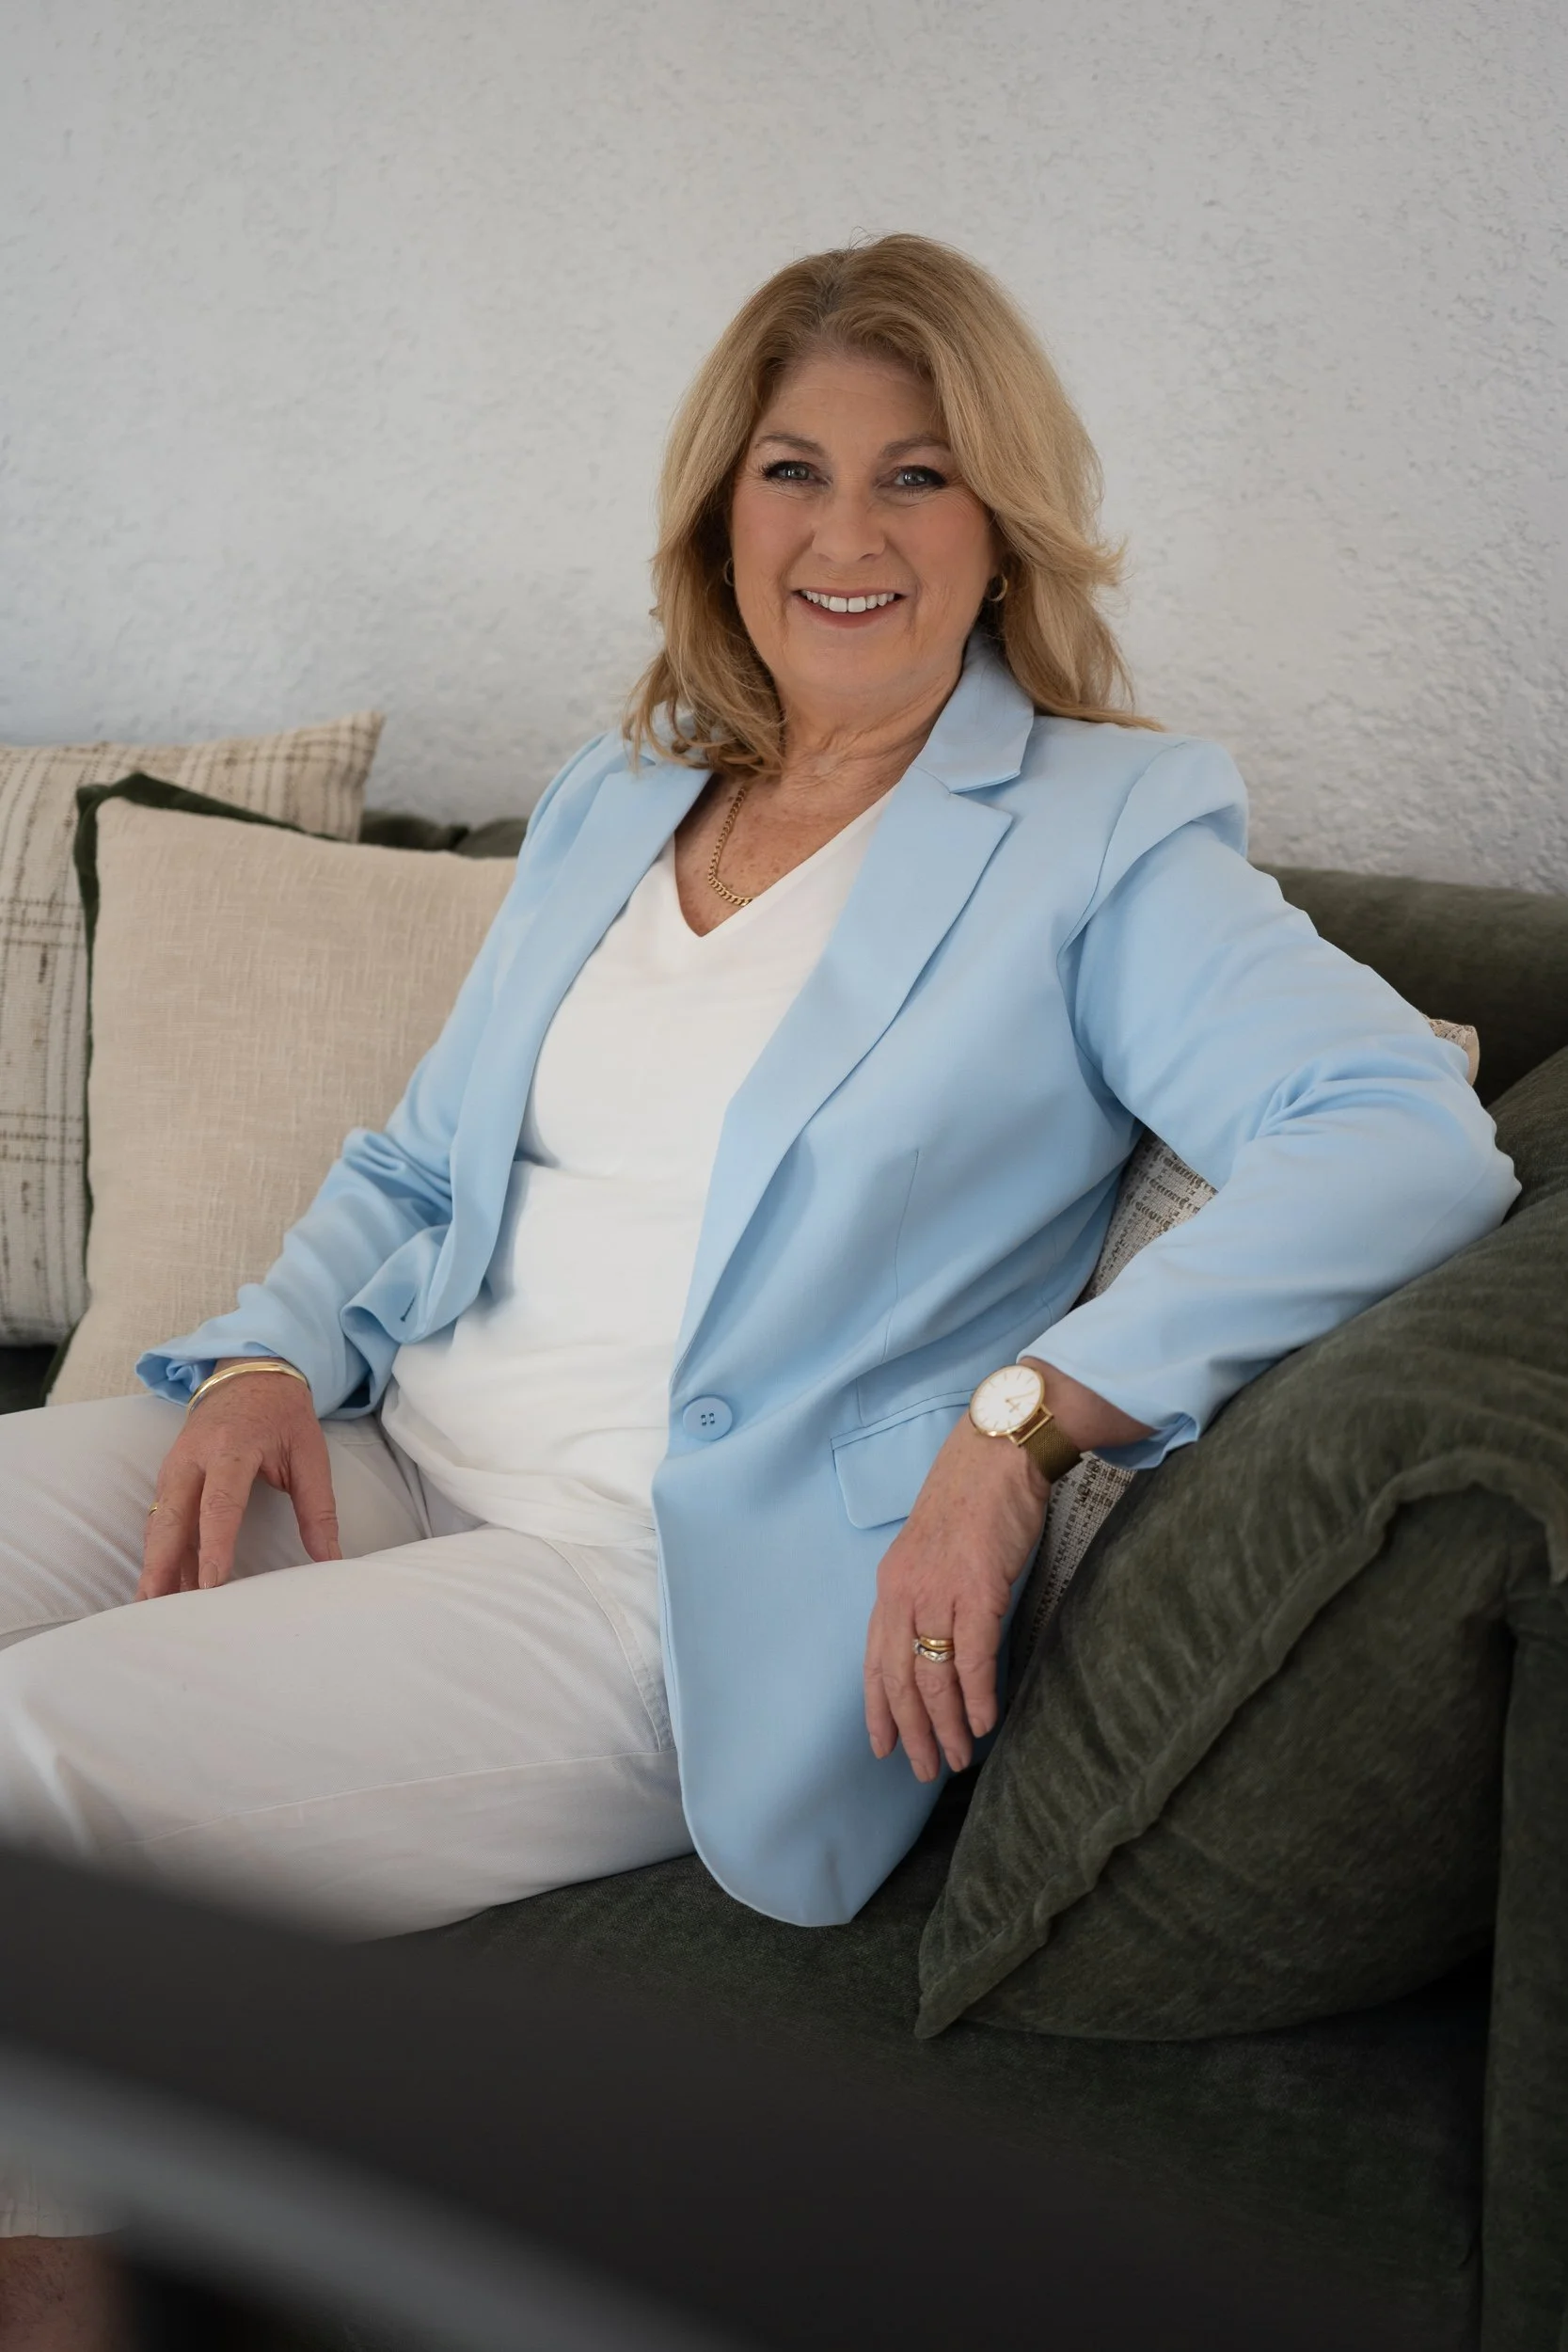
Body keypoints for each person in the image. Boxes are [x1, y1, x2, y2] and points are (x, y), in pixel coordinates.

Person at [0, 234, 1515, 2341]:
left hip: (655, 1589)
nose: (847, 531)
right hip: (393, 1441)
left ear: (1002, 524)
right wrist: (266, 1347)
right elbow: (424, 1156)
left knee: (36, 1758)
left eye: (917, 475)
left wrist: (1023, 1418)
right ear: (723, 508)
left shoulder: (1096, 836)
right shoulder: (622, 796)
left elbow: (1402, 1134)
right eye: (794, 469)